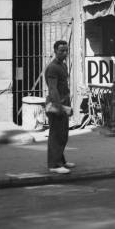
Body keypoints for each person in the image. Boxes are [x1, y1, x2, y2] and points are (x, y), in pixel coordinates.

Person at [45, 40, 75, 174]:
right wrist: (59, 107)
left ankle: (61, 161)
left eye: (66, 50)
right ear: (55, 51)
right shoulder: (52, 68)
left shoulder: (63, 66)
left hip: (63, 102)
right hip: (57, 104)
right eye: (62, 50)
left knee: (62, 134)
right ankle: (54, 165)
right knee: (56, 135)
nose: (65, 53)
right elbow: (53, 89)